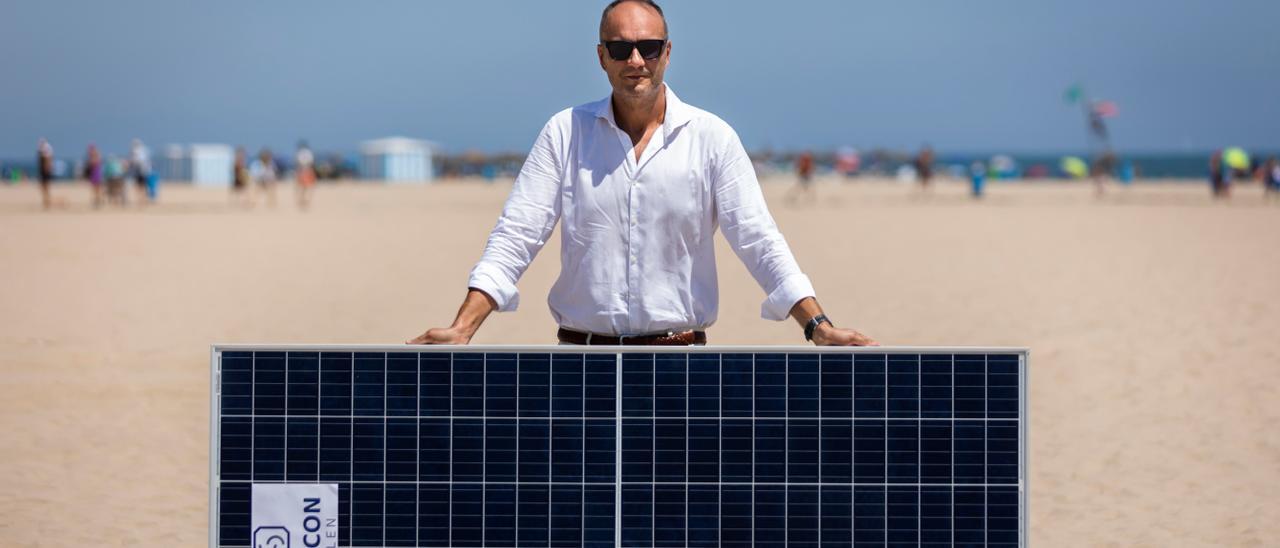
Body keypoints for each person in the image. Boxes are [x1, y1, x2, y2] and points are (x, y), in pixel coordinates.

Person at [408, 0, 876, 347]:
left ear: (667, 52)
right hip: (581, 365)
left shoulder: (712, 138)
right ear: (601, 56)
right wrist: (463, 327)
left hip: (680, 366)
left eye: (648, 47)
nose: (635, 60)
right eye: (621, 47)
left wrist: (818, 326)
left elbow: (758, 239)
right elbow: (516, 235)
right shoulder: (564, 133)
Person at [129, 138, 152, 205]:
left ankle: (141, 200)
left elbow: (135, 161)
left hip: (140, 172)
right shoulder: (144, 151)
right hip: (143, 172)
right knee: (143, 187)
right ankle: (143, 199)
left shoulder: (135, 151)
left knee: (139, 187)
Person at [294, 140, 316, 210]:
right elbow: (311, 162)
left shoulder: (299, 153)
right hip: (308, 170)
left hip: (302, 170)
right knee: (308, 186)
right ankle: (306, 200)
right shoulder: (309, 152)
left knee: (302, 186)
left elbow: (297, 163)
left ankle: (302, 199)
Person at [37, 138, 54, 209]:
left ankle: (47, 201)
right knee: (43, 186)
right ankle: (46, 200)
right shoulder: (42, 150)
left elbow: (48, 160)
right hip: (43, 170)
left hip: (45, 171)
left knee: (46, 186)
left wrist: (48, 169)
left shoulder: (47, 150)